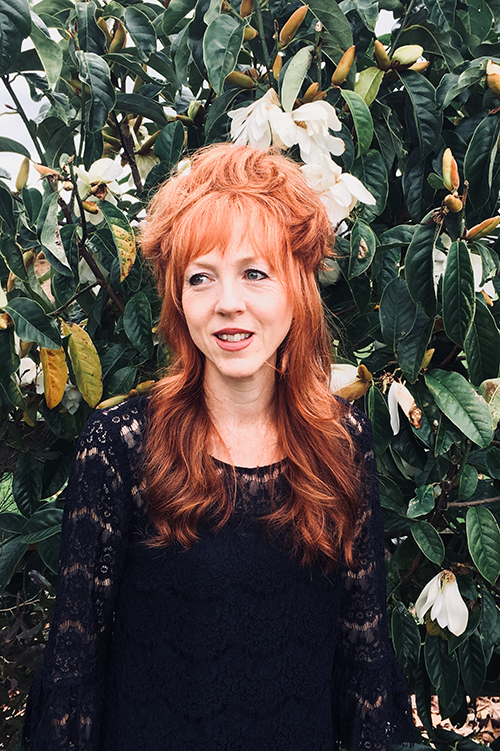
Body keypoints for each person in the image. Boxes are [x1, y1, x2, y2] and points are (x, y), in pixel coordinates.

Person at [22, 144, 413, 751]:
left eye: (254, 273)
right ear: (178, 299)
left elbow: (363, 661)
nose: (228, 302)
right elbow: (77, 668)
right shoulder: (123, 448)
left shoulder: (342, 444)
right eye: (201, 277)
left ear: (298, 290)